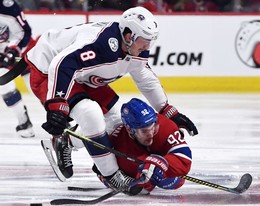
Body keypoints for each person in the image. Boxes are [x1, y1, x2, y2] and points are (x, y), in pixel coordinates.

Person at [25, 6, 198, 190]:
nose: (148, 47)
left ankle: (66, 141)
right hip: (47, 71)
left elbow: (144, 76)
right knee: (91, 114)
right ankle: (110, 175)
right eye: (145, 41)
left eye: (150, 41)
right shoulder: (102, 44)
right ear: (130, 35)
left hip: (83, 76)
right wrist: (57, 105)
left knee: (115, 123)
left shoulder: (133, 47)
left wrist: (166, 109)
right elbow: (62, 65)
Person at [93, 98, 192, 194]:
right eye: (144, 130)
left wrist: (163, 163)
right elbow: (141, 189)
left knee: (176, 180)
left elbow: (184, 159)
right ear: (129, 130)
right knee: (156, 177)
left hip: (155, 156)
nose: (151, 133)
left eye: (152, 127)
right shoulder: (120, 146)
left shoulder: (166, 126)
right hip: (126, 157)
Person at [0, 0, 35, 138]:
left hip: (22, 49)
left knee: (34, 85)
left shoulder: (7, 5)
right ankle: (23, 120)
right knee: (3, 83)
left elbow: (25, 31)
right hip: (2, 55)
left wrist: (14, 49)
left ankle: (62, 119)